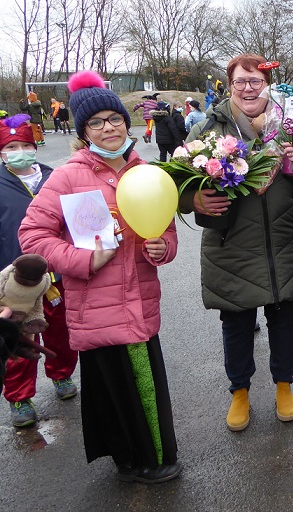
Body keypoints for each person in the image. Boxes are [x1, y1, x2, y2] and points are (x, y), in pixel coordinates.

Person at [19, 70, 182, 483]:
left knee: (144, 383)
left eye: (114, 118)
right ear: (83, 130)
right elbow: (33, 236)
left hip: (139, 302)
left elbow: (164, 227)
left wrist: (163, 248)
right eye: (96, 122)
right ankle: (137, 458)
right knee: (116, 386)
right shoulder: (69, 176)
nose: (108, 127)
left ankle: (151, 457)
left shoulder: (143, 170)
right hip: (95, 306)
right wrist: (81, 261)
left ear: (127, 123)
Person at [182, 54, 293, 432]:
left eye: (255, 81)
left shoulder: (290, 124)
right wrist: (193, 200)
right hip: (231, 244)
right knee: (237, 321)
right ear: (229, 84)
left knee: (284, 317)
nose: (248, 88)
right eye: (240, 81)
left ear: (266, 84)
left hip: (285, 239)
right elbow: (178, 181)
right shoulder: (209, 127)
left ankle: (284, 386)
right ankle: (239, 392)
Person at [1, 114, 78, 428]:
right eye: (12, 147)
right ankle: (19, 396)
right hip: (14, 284)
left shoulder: (55, 177)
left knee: (62, 333)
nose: (20, 151)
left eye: (25, 145)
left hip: (57, 276)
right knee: (18, 339)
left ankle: (61, 376)